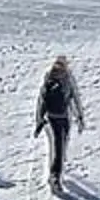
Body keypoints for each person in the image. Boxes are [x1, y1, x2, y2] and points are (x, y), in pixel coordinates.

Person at [36, 55, 85, 191]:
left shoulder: (49, 76)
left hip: (50, 117)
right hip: (62, 117)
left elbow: (41, 100)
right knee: (59, 147)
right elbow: (74, 98)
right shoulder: (67, 78)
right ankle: (55, 176)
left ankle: (56, 171)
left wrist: (39, 119)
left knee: (57, 146)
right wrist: (79, 117)